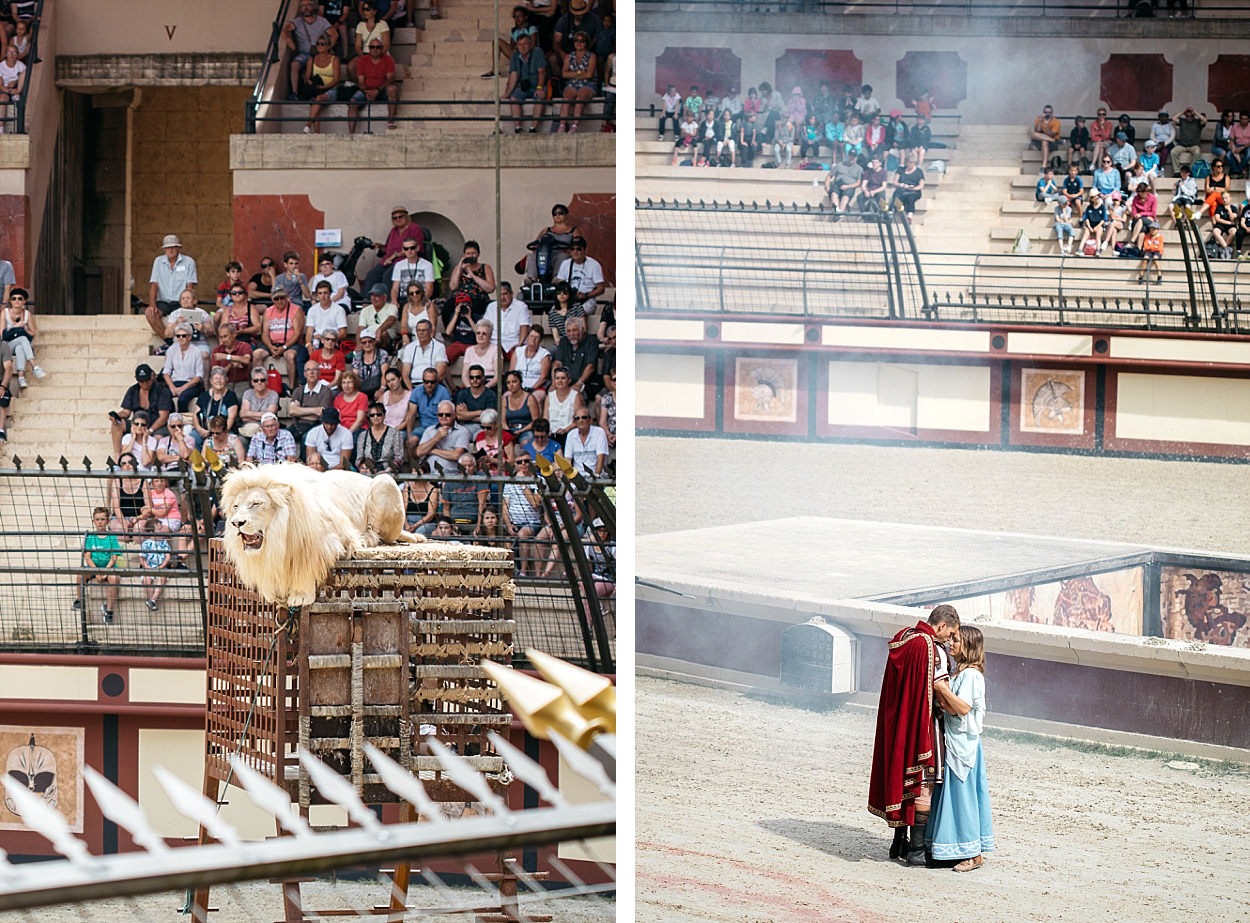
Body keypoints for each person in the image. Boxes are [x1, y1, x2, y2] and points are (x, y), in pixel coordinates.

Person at [867, 604, 961, 866]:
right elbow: (938, 689)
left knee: (905, 778)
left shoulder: (906, 637)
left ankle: (899, 843)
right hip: (922, 724)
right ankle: (917, 851)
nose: (950, 639)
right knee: (923, 783)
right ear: (941, 625)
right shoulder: (931, 648)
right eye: (950, 633)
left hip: (900, 722)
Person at [925, 626, 994, 873]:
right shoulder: (959, 674)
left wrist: (941, 689)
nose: (951, 643)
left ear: (969, 647)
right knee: (951, 796)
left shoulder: (971, 676)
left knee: (962, 798)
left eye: (956, 640)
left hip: (963, 746)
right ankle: (948, 847)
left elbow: (961, 708)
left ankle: (973, 854)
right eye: (951, 638)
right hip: (955, 742)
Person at [146, 234, 198, 341]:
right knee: (150, 314)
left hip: (181, 301)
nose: (171, 250)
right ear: (164, 249)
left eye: (173, 247)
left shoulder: (189, 262)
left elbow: (190, 286)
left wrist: (189, 303)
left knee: (189, 317)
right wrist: (152, 304)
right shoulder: (158, 261)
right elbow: (154, 284)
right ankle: (168, 341)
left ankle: (180, 341)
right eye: (168, 247)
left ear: (178, 248)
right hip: (164, 301)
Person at [76, 507, 122, 623]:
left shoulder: (112, 537)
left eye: (102, 519)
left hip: (108, 567)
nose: (100, 522)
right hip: (93, 567)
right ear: (93, 521)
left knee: (114, 578)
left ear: (107, 521)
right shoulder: (90, 537)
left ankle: (109, 610)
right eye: (97, 519)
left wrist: (105, 571)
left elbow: (114, 557)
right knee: (80, 575)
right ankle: (79, 600)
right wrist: (97, 571)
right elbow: (87, 556)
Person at [302, 33, 347, 133]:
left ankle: (308, 124)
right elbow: (307, 77)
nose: (319, 46)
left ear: (328, 46)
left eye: (322, 44)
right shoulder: (312, 60)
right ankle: (317, 133)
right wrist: (311, 83)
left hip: (330, 89)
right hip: (316, 88)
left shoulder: (334, 59)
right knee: (316, 103)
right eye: (317, 44)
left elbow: (336, 79)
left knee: (319, 99)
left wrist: (324, 87)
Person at [503, 32, 547, 134]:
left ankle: (533, 128)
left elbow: (542, 72)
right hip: (524, 87)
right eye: (520, 45)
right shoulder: (515, 56)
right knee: (514, 98)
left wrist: (539, 87)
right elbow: (513, 76)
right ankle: (518, 128)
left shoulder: (537, 52)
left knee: (539, 97)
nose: (523, 47)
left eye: (525, 44)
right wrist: (507, 94)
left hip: (537, 85)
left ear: (530, 44)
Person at [416, 399, 473, 476]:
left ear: (454, 415)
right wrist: (436, 438)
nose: (444, 417)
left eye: (448, 414)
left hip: (450, 475)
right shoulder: (430, 430)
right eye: (440, 414)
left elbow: (456, 455)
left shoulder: (462, 431)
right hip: (428, 474)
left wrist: (432, 451)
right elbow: (419, 452)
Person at [553, 236, 605, 315]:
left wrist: (586, 295)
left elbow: (601, 288)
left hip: (587, 300)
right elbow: (560, 284)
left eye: (578, 249)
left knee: (578, 311)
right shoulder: (565, 264)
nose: (575, 252)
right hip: (568, 299)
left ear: (584, 250)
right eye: (572, 249)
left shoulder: (594, 265)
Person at [161, 323, 206, 414]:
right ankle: (171, 418)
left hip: (191, 384)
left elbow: (199, 375)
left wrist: (183, 388)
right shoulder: (171, 350)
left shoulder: (196, 351)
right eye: (178, 336)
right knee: (164, 396)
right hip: (175, 382)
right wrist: (172, 387)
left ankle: (182, 420)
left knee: (183, 399)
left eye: (183, 336)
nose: (180, 338)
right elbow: (166, 372)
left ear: (189, 337)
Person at [2, 286, 42, 388]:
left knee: (20, 348)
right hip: (6, 346)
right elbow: (2, 334)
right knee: (23, 339)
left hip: (20, 345)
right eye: (14, 298)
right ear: (10, 301)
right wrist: (15, 327)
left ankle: (21, 378)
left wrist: (24, 328)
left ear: (24, 301)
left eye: (20, 298)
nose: (17, 301)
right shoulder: (5, 313)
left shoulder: (27, 314)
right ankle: (34, 365)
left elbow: (33, 332)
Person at [557, 31, 596, 134]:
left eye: (582, 41)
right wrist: (580, 73)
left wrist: (573, 73)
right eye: (576, 40)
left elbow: (589, 75)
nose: (579, 43)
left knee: (580, 97)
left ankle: (574, 126)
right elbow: (564, 74)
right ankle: (562, 125)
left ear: (586, 43)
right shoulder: (569, 56)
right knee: (567, 98)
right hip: (572, 84)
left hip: (588, 84)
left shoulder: (591, 56)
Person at [355, 401, 405, 472]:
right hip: (368, 472)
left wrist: (388, 470)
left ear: (384, 415)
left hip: (389, 472)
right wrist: (365, 468)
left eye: (379, 414)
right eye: (372, 415)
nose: (375, 417)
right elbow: (359, 458)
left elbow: (399, 457)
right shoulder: (363, 435)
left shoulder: (395, 433)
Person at [389, 239, 436, 307]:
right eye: (406, 249)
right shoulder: (398, 265)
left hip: (421, 299)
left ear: (417, 248)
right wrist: (394, 300)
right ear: (403, 250)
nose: (409, 251)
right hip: (404, 299)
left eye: (412, 248)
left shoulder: (427, 265)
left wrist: (421, 302)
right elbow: (395, 288)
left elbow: (429, 288)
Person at [1170, 106, 1207, 175]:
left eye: (1191, 116)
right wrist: (1184, 111)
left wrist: (1195, 112)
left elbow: (1205, 120)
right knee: (1173, 152)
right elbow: (1173, 118)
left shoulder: (1197, 122)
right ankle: (1177, 171)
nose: (1189, 117)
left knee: (1197, 152)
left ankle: (1191, 170)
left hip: (1194, 145)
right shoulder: (1182, 121)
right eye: (1187, 116)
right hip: (1182, 145)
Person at [891, 155, 925, 221]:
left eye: (913, 163)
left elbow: (921, 185)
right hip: (902, 189)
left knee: (911, 198)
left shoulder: (919, 171)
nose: (911, 164)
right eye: (910, 163)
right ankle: (892, 212)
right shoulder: (901, 170)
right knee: (897, 196)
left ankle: (909, 215)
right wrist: (902, 185)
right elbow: (895, 182)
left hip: (914, 190)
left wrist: (913, 188)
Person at [1029, 104, 1061, 169]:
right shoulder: (1039, 119)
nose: (1047, 114)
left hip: (1053, 143)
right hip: (1041, 141)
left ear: (1052, 113)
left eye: (1049, 112)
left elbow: (1051, 134)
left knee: (1044, 142)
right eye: (1045, 112)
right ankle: (1050, 140)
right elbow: (1037, 131)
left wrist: (1046, 126)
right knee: (1033, 134)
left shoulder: (1056, 122)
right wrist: (1041, 122)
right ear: (1043, 112)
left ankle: (1044, 166)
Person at [1136, 220, 1165, 285]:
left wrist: (1151, 246)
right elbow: (1146, 247)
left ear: (1157, 230)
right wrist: (1153, 247)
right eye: (1151, 229)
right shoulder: (1147, 237)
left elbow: (1159, 248)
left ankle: (1159, 276)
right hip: (1148, 252)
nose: (1152, 230)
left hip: (1157, 252)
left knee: (1155, 258)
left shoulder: (1160, 237)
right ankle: (1141, 276)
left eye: (1154, 229)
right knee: (1145, 258)